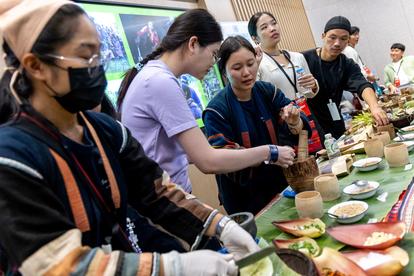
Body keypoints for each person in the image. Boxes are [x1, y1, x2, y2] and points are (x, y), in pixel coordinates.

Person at [0, 1, 259, 275]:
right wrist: (171, 267)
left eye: (101, 53)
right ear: (36, 66)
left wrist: (219, 225)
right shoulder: (13, 158)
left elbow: (157, 191)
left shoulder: (104, 130)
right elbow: (59, 265)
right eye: (86, 56)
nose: (99, 65)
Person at [117, 9, 287, 193]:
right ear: (193, 44)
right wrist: (271, 151)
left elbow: (192, 153)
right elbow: (208, 161)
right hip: (161, 198)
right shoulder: (160, 81)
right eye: (214, 54)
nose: (213, 62)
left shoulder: (155, 76)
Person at [203, 36, 312, 215]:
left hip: (282, 186)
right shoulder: (216, 111)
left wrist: (294, 122)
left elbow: (301, 128)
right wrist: (270, 154)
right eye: (237, 68)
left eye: (251, 63)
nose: (247, 72)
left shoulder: (267, 91)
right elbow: (225, 159)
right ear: (224, 72)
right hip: (245, 200)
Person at [247, 11, 322, 154]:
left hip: (307, 115)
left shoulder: (297, 57)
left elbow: (309, 93)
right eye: (264, 27)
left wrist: (313, 86)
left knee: (321, 158)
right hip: (282, 122)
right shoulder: (258, 63)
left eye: (274, 23)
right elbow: (254, 96)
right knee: (297, 167)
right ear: (254, 38)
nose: (272, 28)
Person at [302, 15, 388, 139]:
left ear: (348, 41)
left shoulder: (347, 64)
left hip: (335, 123)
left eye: (343, 39)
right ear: (323, 36)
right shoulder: (303, 59)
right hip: (310, 126)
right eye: (332, 37)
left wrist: (375, 107)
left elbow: (362, 85)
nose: (337, 43)